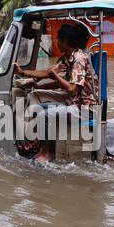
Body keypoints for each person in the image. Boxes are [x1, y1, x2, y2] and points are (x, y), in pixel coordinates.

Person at [14, 24, 96, 162]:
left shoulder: (79, 59)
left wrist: (54, 76)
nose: (56, 42)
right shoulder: (69, 57)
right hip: (74, 102)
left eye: (58, 39)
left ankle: (46, 154)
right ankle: (36, 144)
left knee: (43, 115)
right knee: (37, 109)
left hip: (84, 109)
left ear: (64, 41)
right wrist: (30, 78)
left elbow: (71, 89)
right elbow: (50, 75)